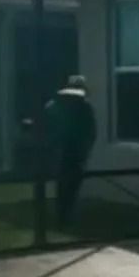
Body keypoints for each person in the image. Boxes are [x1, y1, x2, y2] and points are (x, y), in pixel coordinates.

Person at [45, 74, 96, 228]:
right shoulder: (83, 107)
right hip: (72, 152)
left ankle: (63, 215)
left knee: (65, 184)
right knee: (70, 184)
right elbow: (91, 132)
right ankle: (65, 215)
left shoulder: (57, 105)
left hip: (65, 152)